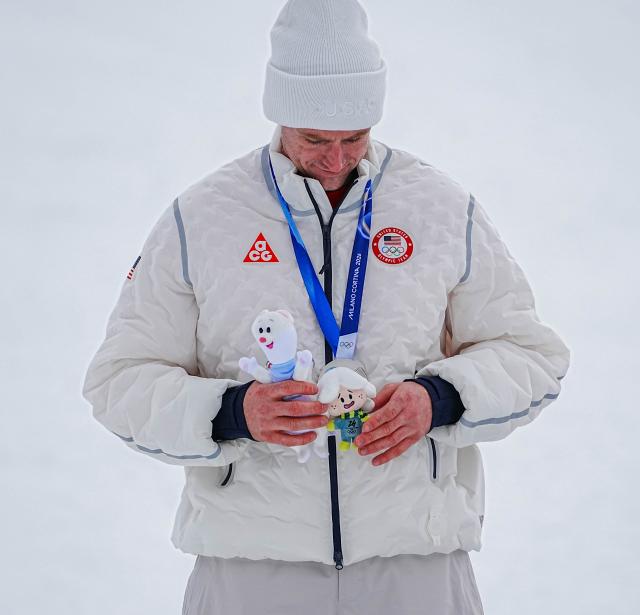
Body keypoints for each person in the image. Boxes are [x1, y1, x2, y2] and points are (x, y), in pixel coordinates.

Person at [82, 1, 570, 613]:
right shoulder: (201, 220)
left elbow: (532, 355)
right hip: (252, 568)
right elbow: (119, 381)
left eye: (354, 137)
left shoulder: (442, 210)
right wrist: (233, 412)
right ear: (280, 112)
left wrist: (437, 399)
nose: (337, 159)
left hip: (415, 562)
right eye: (315, 138)